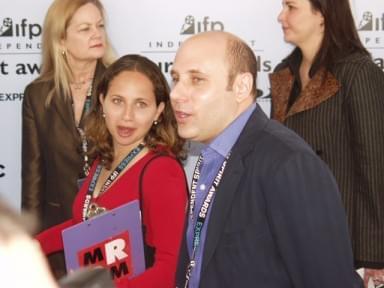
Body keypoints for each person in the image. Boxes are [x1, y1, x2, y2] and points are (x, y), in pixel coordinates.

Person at [170, 31, 363, 288]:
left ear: (241, 87)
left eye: (197, 80)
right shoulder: (212, 157)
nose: (176, 94)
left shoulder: (288, 164)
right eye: (175, 79)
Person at [36, 54, 188, 288]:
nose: (127, 116)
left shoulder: (162, 171)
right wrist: (33, 245)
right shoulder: (104, 158)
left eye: (141, 104)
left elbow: (169, 270)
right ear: (102, 100)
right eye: (118, 101)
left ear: (158, 111)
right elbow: (85, 223)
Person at [269, 0, 384, 285]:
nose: (281, 16)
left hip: (341, 240)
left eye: (291, 7)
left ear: (322, 13)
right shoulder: (284, 74)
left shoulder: (358, 72)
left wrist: (376, 255)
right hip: (289, 233)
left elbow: (375, 167)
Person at [21, 0, 115, 277]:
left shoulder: (120, 83)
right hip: (59, 229)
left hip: (114, 225)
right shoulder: (38, 95)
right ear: (61, 40)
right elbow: (33, 178)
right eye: (85, 28)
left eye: (99, 26)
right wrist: (30, 242)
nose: (97, 34)